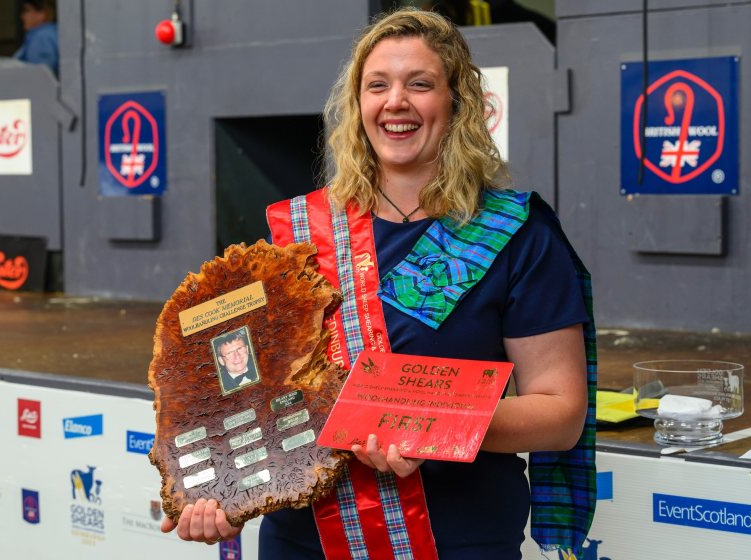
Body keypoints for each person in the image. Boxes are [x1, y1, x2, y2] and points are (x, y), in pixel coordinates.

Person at [162, 8, 596, 559]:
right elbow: (245, 391)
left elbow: (560, 414)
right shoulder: (295, 236)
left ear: (459, 104)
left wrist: (423, 426)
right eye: (377, 86)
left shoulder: (517, 234)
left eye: (420, 84)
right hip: (305, 538)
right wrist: (221, 491)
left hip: (457, 536)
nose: (396, 101)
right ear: (357, 107)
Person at [14, 0, 59, 77]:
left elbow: (38, 76)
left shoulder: (42, 38)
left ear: (42, 13)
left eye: (27, 11)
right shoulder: (53, 33)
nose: (22, 16)